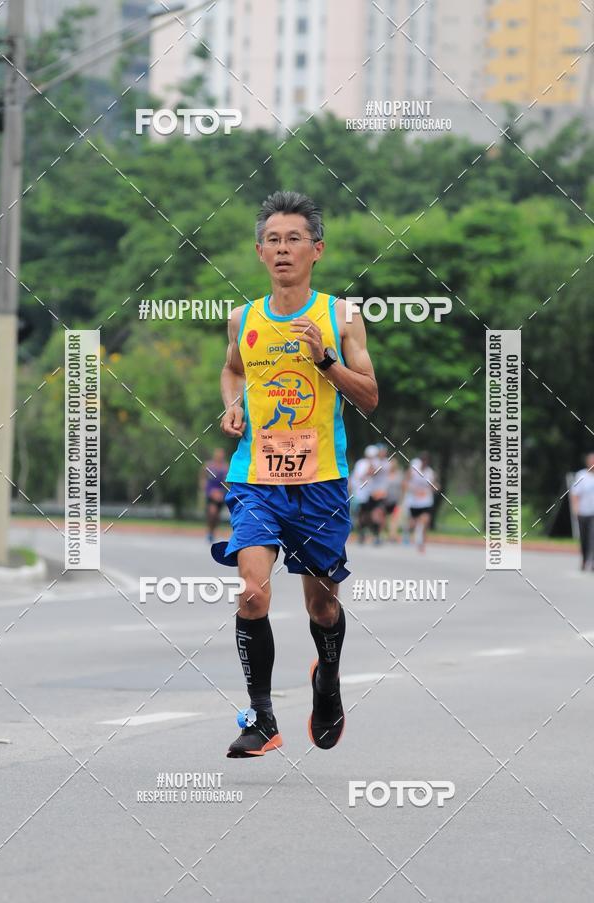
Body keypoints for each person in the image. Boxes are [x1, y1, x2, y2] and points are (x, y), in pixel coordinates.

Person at [212, 190, 378, 758]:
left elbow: (370, 396)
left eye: (294, 240)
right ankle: (262, 718)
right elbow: (232, 371)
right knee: (252, 596)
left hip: (321, 482)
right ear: (260, 252)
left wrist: (325, 359)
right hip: (257, 477)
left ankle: (326, 682)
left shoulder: (342, 316)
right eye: (273, 241)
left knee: (321, 607)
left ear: (317, 249)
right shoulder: (244, 318)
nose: (283, 250)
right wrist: (232, 405)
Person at [404, 451, 439, 553]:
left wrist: (435, 488)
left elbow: (434, 486)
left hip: (425, 502)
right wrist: (413, 490)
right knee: (413, 525)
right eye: (423, 461)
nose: (424, 463)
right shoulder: (413, 470)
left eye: (426, 461)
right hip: (414, 502)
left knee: (425, 522)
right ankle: (408, 531)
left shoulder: (430, 473)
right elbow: (405, 482)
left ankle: (421, 544)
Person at [350, 445, 379, 544]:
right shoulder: (361, 464)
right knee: (362, 514)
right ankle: (362, 533)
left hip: (372, 492)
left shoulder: (377, 463)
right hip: (361, 493)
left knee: (373, 514)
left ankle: (375, 534)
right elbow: (359, 477)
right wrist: (369, 469)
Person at [570, 452, 594, 571]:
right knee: (584, 539)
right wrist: (575, 508)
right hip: (583, 512)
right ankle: (584, 561)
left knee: (593, 538)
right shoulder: (581, 475)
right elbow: (575, 493)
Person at [200, 448, 229, 543]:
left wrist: (221, 492)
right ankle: (209, 532)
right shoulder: (208, 466)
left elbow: (227, 483)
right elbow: (202, 479)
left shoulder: (226, 468)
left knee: (216, 515)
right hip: (211, 493)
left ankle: (212, 532)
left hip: (221, 494)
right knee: (212, 512)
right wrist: (208, 491)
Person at [385, 457, 404, 542]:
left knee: (394, 519)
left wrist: (401, 498)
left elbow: (403, 487)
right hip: (385, 500)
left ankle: (392, 536)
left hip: (396, 500)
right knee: (385, 519)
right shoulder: (385, 474)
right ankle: (385, 534)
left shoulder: (399, 474)